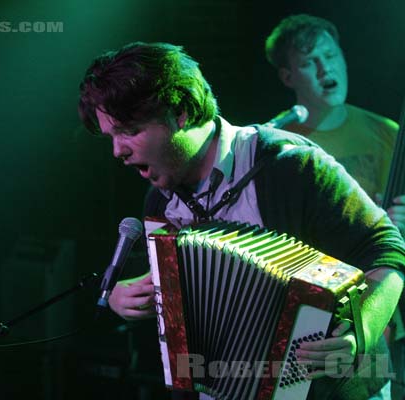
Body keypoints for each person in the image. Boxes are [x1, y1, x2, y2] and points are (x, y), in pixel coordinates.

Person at [78, 42, 405, 400]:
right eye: (111, 136)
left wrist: (361, 333)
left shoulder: (290, 166)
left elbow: (387, 252)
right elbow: (181, 289)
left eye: (128, 130)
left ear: (181, 112)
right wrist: (129, 295)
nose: (117, 151)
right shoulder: (159, 198)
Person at [265, 14, 405, 399]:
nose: (327, 68)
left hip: (376, 312)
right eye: (311, 61)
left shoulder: (386, 133)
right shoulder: (274, 144)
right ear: (288, 77)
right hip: (299, 311)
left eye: (331, 54)